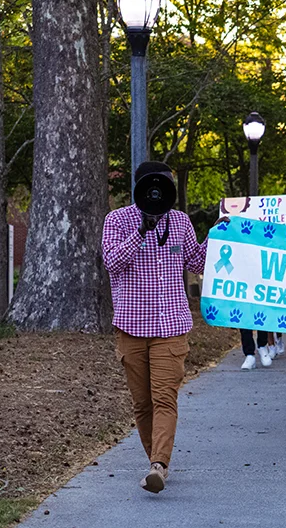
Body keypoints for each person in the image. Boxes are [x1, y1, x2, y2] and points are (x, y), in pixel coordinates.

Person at [102, 161, 213, 493]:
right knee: (142, 403)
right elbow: (112, 262)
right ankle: (157, 459)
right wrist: (142, 230)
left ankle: (158, 465)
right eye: (151, 186)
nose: (156, 192)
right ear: (138, 187)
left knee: (164, 397)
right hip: (131, 326)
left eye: (163, 186)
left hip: (171, 325)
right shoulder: (117, 220)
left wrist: (219, 236)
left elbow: (196, 261)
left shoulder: (179, 221)